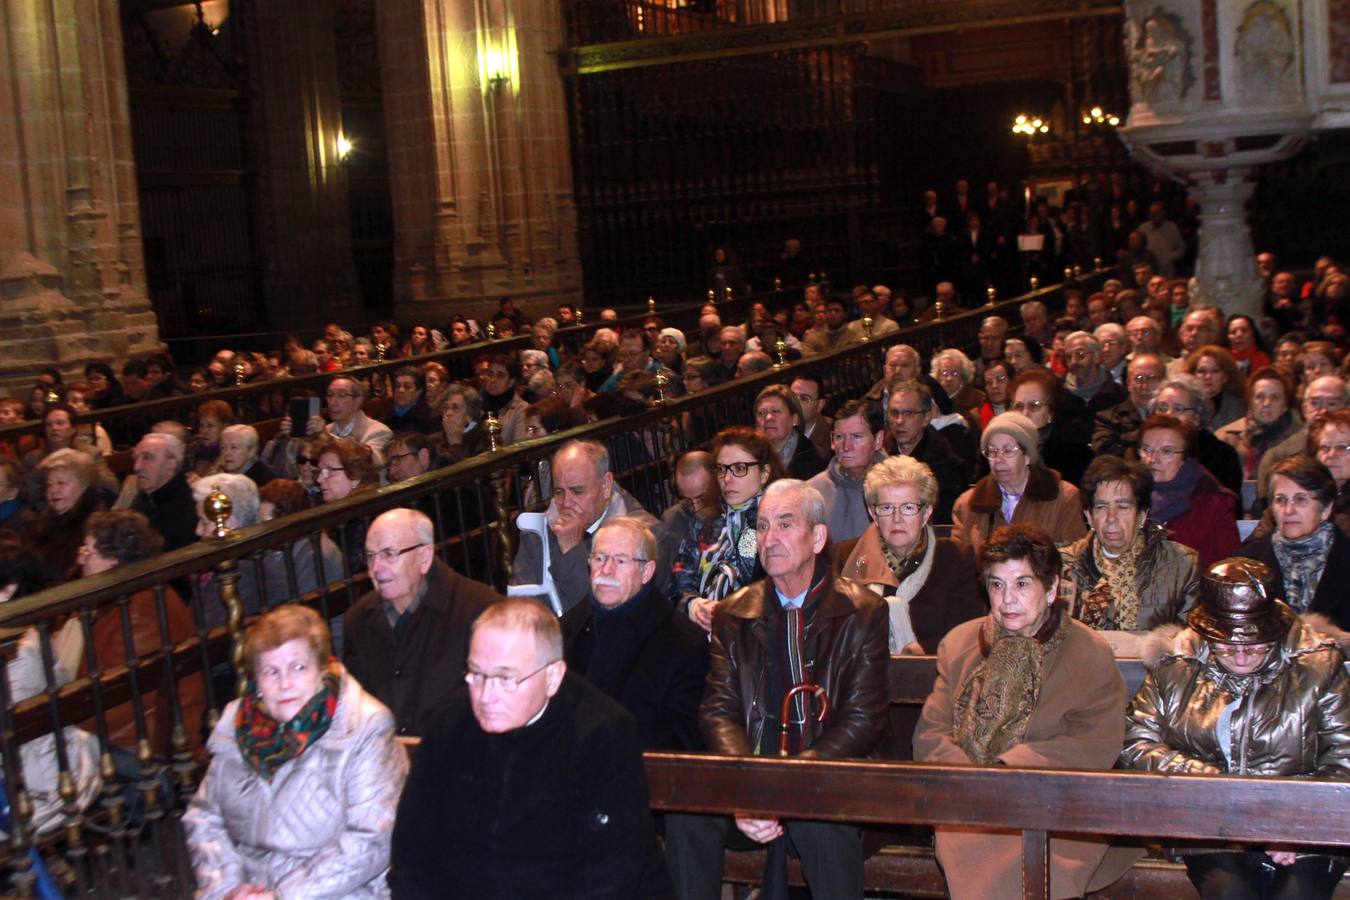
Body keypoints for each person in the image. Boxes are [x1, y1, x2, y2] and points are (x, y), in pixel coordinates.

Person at [665, 480, 889, 900]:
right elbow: (718, 711)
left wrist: (789, 785)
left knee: (817, 820)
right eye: (763, 526)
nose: (770, 538)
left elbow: (863, 721)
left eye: (785, 525)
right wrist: (750, 787)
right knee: (686, 812)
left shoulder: (862, 612)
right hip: (753, 784)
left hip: (831, 782)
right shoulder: (735, 612)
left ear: (818, 537)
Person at [391, 599, 668, 898]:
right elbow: (413, 853)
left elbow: (609, 876)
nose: (486, 696)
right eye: (476, 674)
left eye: (506, 679)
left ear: (553, 677)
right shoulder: (447, 725)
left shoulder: (602, 734)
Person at [914, 524, 1130, 900]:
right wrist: (972, 781)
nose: (1007, 599)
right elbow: (931, 734)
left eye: (1022, 584)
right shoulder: (961, 643)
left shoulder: (1088, 651)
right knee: (979, 852)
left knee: (1038, 865)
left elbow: (1094, 742)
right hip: (968, 803)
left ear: (1050, 588)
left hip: (1059, 807)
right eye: (996, 585)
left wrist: (1008, 771)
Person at [1121, 557, 1350, 899]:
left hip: (1308, 827)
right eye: (1226, 644)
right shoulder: (1176, 663)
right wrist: (1219, 786)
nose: (1241, 656)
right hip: (1209, 823)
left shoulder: (1318, 664)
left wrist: (1291, 824)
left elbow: (1344, 759)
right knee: (1228, 892)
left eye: (1255, 643)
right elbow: (1136, 745)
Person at [184, 605, 408, 899]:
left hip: (340, 891)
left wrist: (283, 895)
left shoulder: (364, 727)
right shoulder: (237, 726)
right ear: (258, 683)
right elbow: (205, 816)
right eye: (271, 671)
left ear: (322, 668)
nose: (284, 683)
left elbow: (372, 840)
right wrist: (228, 888)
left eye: (298, 667)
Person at [343, 508, 499, 736]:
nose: (376, 568)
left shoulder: (480, 611)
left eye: (389, 554)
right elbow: (355, 710)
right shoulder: (358, 620)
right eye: (370, 556)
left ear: (424, 557)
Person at [561, 517, 708, 751]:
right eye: (599, 558)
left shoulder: (683, 643)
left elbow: (681, 745)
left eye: (620, 560)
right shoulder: (566, 630)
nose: (606, 570)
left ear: (646, 571)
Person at [78, 509, 206, 768]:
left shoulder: (138, 610)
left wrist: (63, 722)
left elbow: (118, 703)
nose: (80, 559)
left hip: (142, 746)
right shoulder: (135, 595)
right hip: (138, 737)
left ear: (113, 561)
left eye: (88, 552)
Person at [837, 455, 983, 655]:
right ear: (873, 513)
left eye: (908, 508)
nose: (897, 519)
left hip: (929, 676)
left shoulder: (956, 559)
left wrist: (918, 654)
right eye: (887, 508)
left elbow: (965, 634)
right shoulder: (845, 557)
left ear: (926, 513)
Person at [511, 439, 674, 615]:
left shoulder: (650, 538)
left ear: (605, 485)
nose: (566, 503)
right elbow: (520, 610)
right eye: (559, 492)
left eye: (577, 491)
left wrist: (572, 550)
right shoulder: (537, 534)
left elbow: (615, 620)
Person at [1059, 456, 1198, 654]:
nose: (1111, 518)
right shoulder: (1063, 564)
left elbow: (1190, 645)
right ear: (1089, 516)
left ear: (1141, 516)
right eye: (1101, 507)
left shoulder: (1181, 564)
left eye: (1123, 507)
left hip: (1154, 677)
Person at [672, 427, 781, 631]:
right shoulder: (706, 521)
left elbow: (753, 579)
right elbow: (679, 577)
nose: (727, 479)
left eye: (739, 468)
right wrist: (693, 605)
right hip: (701, 630)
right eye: (722, 469)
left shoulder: (774, 522)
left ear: (765, 473)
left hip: (753, 631)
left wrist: (724, 610)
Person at [1238, 457, 1350, 629]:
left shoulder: (1344, 557)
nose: (1288, 510)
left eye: (1301, 499)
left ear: (1326, 508)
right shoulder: (1244, 564)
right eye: (1280, 500)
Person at [953, 411, 1086, 551]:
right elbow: (960, 565)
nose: (998, 459)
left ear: (1028, 456)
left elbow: (1072, 558)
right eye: (992, 451)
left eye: (1009, 450)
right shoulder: (967, 504)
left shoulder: (1064, 498)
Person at [1139, 414, 1240, 568]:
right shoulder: (1130, 495)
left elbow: (1227, 568)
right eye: (1147, 450)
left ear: (1186, 458)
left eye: (1166, 451)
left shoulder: (1215, 503)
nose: (1153, 459)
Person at [806, 399, 885, 543]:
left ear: (878, 440)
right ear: (832, 441)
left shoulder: (900, 487)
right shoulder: (812, 492)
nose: (846, 446)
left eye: (856, 437)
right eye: (839, 437)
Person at [26, 449, 108, 583]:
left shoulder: (96, 526)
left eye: (61, 483)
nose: (53, 490)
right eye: (49, 485)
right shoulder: (43, 524)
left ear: (84, 485)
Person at [1215, 366, 1301, 481]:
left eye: (1275, 397)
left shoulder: (1299, 439)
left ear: (1285, 406)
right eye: (1260, 397)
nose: (1266, 403)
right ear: (1250, 402)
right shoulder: (1225, 437)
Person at [128, 433, 200, 552]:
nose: (137, 467)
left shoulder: (189, 507)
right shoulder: (143, 499)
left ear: (171, 465)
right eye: (136, 458)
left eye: (147, 457)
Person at [754, 384, 825, 479]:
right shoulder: (750, 455)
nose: (768, 418)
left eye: (776, 411)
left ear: (795, 419)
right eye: (761, 413)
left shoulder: (815, 458)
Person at [1183, 345, 1246, 431]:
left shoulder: (1236, 408)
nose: (1208, 377)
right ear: (1192, 375)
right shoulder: (1185, 403)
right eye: (1202, 371)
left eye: (1215, 371)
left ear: (1225, 377)